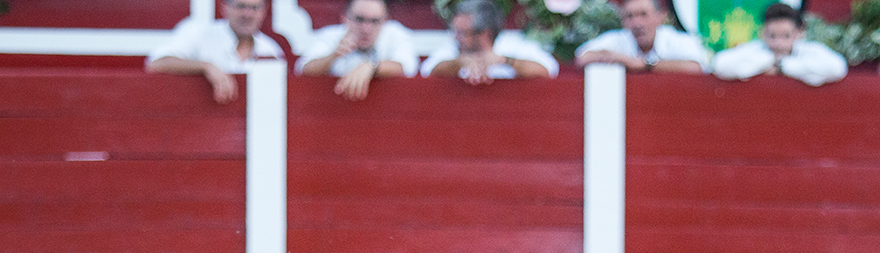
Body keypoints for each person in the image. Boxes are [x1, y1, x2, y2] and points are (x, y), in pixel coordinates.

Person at [146, 0, 284, 104]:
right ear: (225, 8)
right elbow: (156, 63)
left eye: (254, 8)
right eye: (240, 6)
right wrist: (206, 66)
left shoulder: (270, 49)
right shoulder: (200, 33)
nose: (247, 14)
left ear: (263, 12)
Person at [295, 0, 419, 101]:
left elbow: (406, 66)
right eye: (359, 19)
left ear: (385, 22)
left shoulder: (396, 35)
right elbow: (304, 68)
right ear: (345, 18)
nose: (366, 29)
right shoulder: (332, 36)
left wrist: (370, 67)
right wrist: (334, 56)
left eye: (374, 21)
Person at [422, 0, 560, 82]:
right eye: (456, 31)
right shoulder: (452, 50)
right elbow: (428, 72)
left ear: (484, 33)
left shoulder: (514, 46)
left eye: (463, 33)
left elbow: (547, 70)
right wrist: (460, 62)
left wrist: (505, 61)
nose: (456, 37)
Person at [712, 2, 847, 85]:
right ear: (763, 32)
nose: (779, 44)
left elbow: (837, 68)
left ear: (799, 33)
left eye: (786, 36)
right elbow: (720, 65)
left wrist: (782, 67)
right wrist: (766, 61)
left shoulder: (809, 50)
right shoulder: (755, 49)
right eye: (773, 36)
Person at [574, 0, 710, 75]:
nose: (637, 23)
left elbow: (696, 67)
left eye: (643, 15)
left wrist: (645, 65)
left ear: (661, 17)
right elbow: (582, 57)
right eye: (630, 16)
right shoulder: (619, 39)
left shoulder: (676, 40)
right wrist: (615, 57)